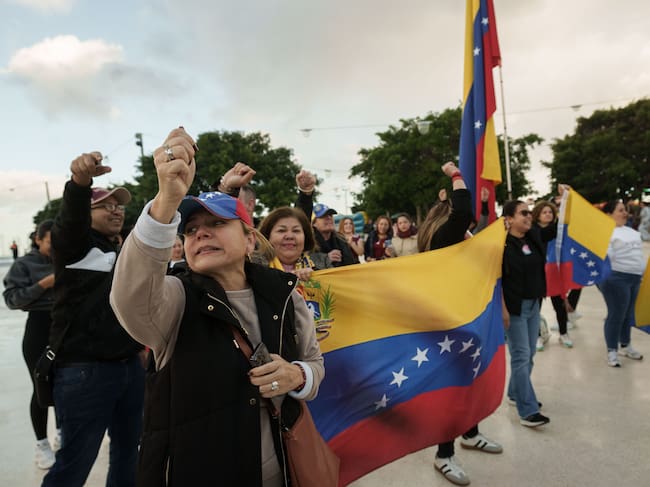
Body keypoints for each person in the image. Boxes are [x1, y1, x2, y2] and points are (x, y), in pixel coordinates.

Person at [110, 127, 324, 486]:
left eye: (217, 223)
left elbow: (315, 364)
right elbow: (131, 300)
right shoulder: (177, 299)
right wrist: (166, 200)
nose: (201, 233)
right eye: (191, 229)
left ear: (249, 241)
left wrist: (298, 376)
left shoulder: (286, 296)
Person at [42, 152, 145, 487]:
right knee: (74, 464)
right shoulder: (73, 246)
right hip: (84, 372)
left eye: (119, 206)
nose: (116, 210)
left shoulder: (124, 248)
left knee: (129, 454)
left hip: (130, 368)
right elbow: (71, 219)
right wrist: (80, 183)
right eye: (105, 206)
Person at [417, 162, 502, 486]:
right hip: (449, 325)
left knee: (470, 381)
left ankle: (471, 432)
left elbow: (476, 228)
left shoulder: (448, 238)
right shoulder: (443, 237)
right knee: (453, 391)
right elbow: (464, 210)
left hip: (464, 319)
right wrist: (455, 174)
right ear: (448, 219)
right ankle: (444, 454)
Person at [3, 220, 60, 469]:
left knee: (65, 384)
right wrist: (44, 284)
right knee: (41, 388)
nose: (55, 247)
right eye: (50, 242)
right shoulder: (24, 264)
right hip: (38, 328)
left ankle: (62, 432)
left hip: (65, 328)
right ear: (38, 239)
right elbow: (12, 300)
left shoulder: (66, 259)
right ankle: (41, 444)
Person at [502, 198, 557, 429]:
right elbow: (495, 281)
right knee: (521, 355)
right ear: (509, 219)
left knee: (529, 353)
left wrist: (566, 201)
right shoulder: (501, 245)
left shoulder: (533, 237)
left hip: (534, 305)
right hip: (514, 309)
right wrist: (503, 310)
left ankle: (515, 393)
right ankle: (528, 410)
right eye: (523, 213)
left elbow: (555, 228)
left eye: (529, 212)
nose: (528, 216)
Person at [597, 200, 646, 367]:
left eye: (625, 210)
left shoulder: (632, 232)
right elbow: (605, 259)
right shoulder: (605, 232)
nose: (625, 213)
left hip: (635, 279)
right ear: (608, 214)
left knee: (628, 314)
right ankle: (612, 350)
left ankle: (625, 345)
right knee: (616, 314)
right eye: (620, 210)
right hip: (616, 279)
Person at [531, 200, 575, 350]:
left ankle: (564, 333)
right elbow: (543, 236)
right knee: (535, 308)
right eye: (544, 212)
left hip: (555, 272)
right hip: (537, 273)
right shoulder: (532, 230)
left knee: (559, 305)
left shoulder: (559, 231)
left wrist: (566, 202)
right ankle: (537, 336)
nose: (548, 214)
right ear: (537, 215)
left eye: (550, 212)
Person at [259, 206, 331, 281]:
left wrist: (315, 276)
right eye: (281, 230)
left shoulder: (324, 263)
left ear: (306, 237)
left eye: (296, 231)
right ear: (267, 237)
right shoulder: (254, 266)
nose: (290, 236)